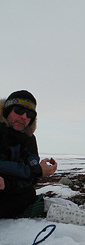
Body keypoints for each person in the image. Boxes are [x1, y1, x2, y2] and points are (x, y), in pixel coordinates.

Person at [0, 90, 57, 218]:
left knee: (29, 194)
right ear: (7, 110)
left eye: (30, 114)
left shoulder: (29, 139)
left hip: (13, 193)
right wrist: (36, 170)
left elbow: (31, 178)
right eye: (19, 110)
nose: (24, 116)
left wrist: (39, 169)